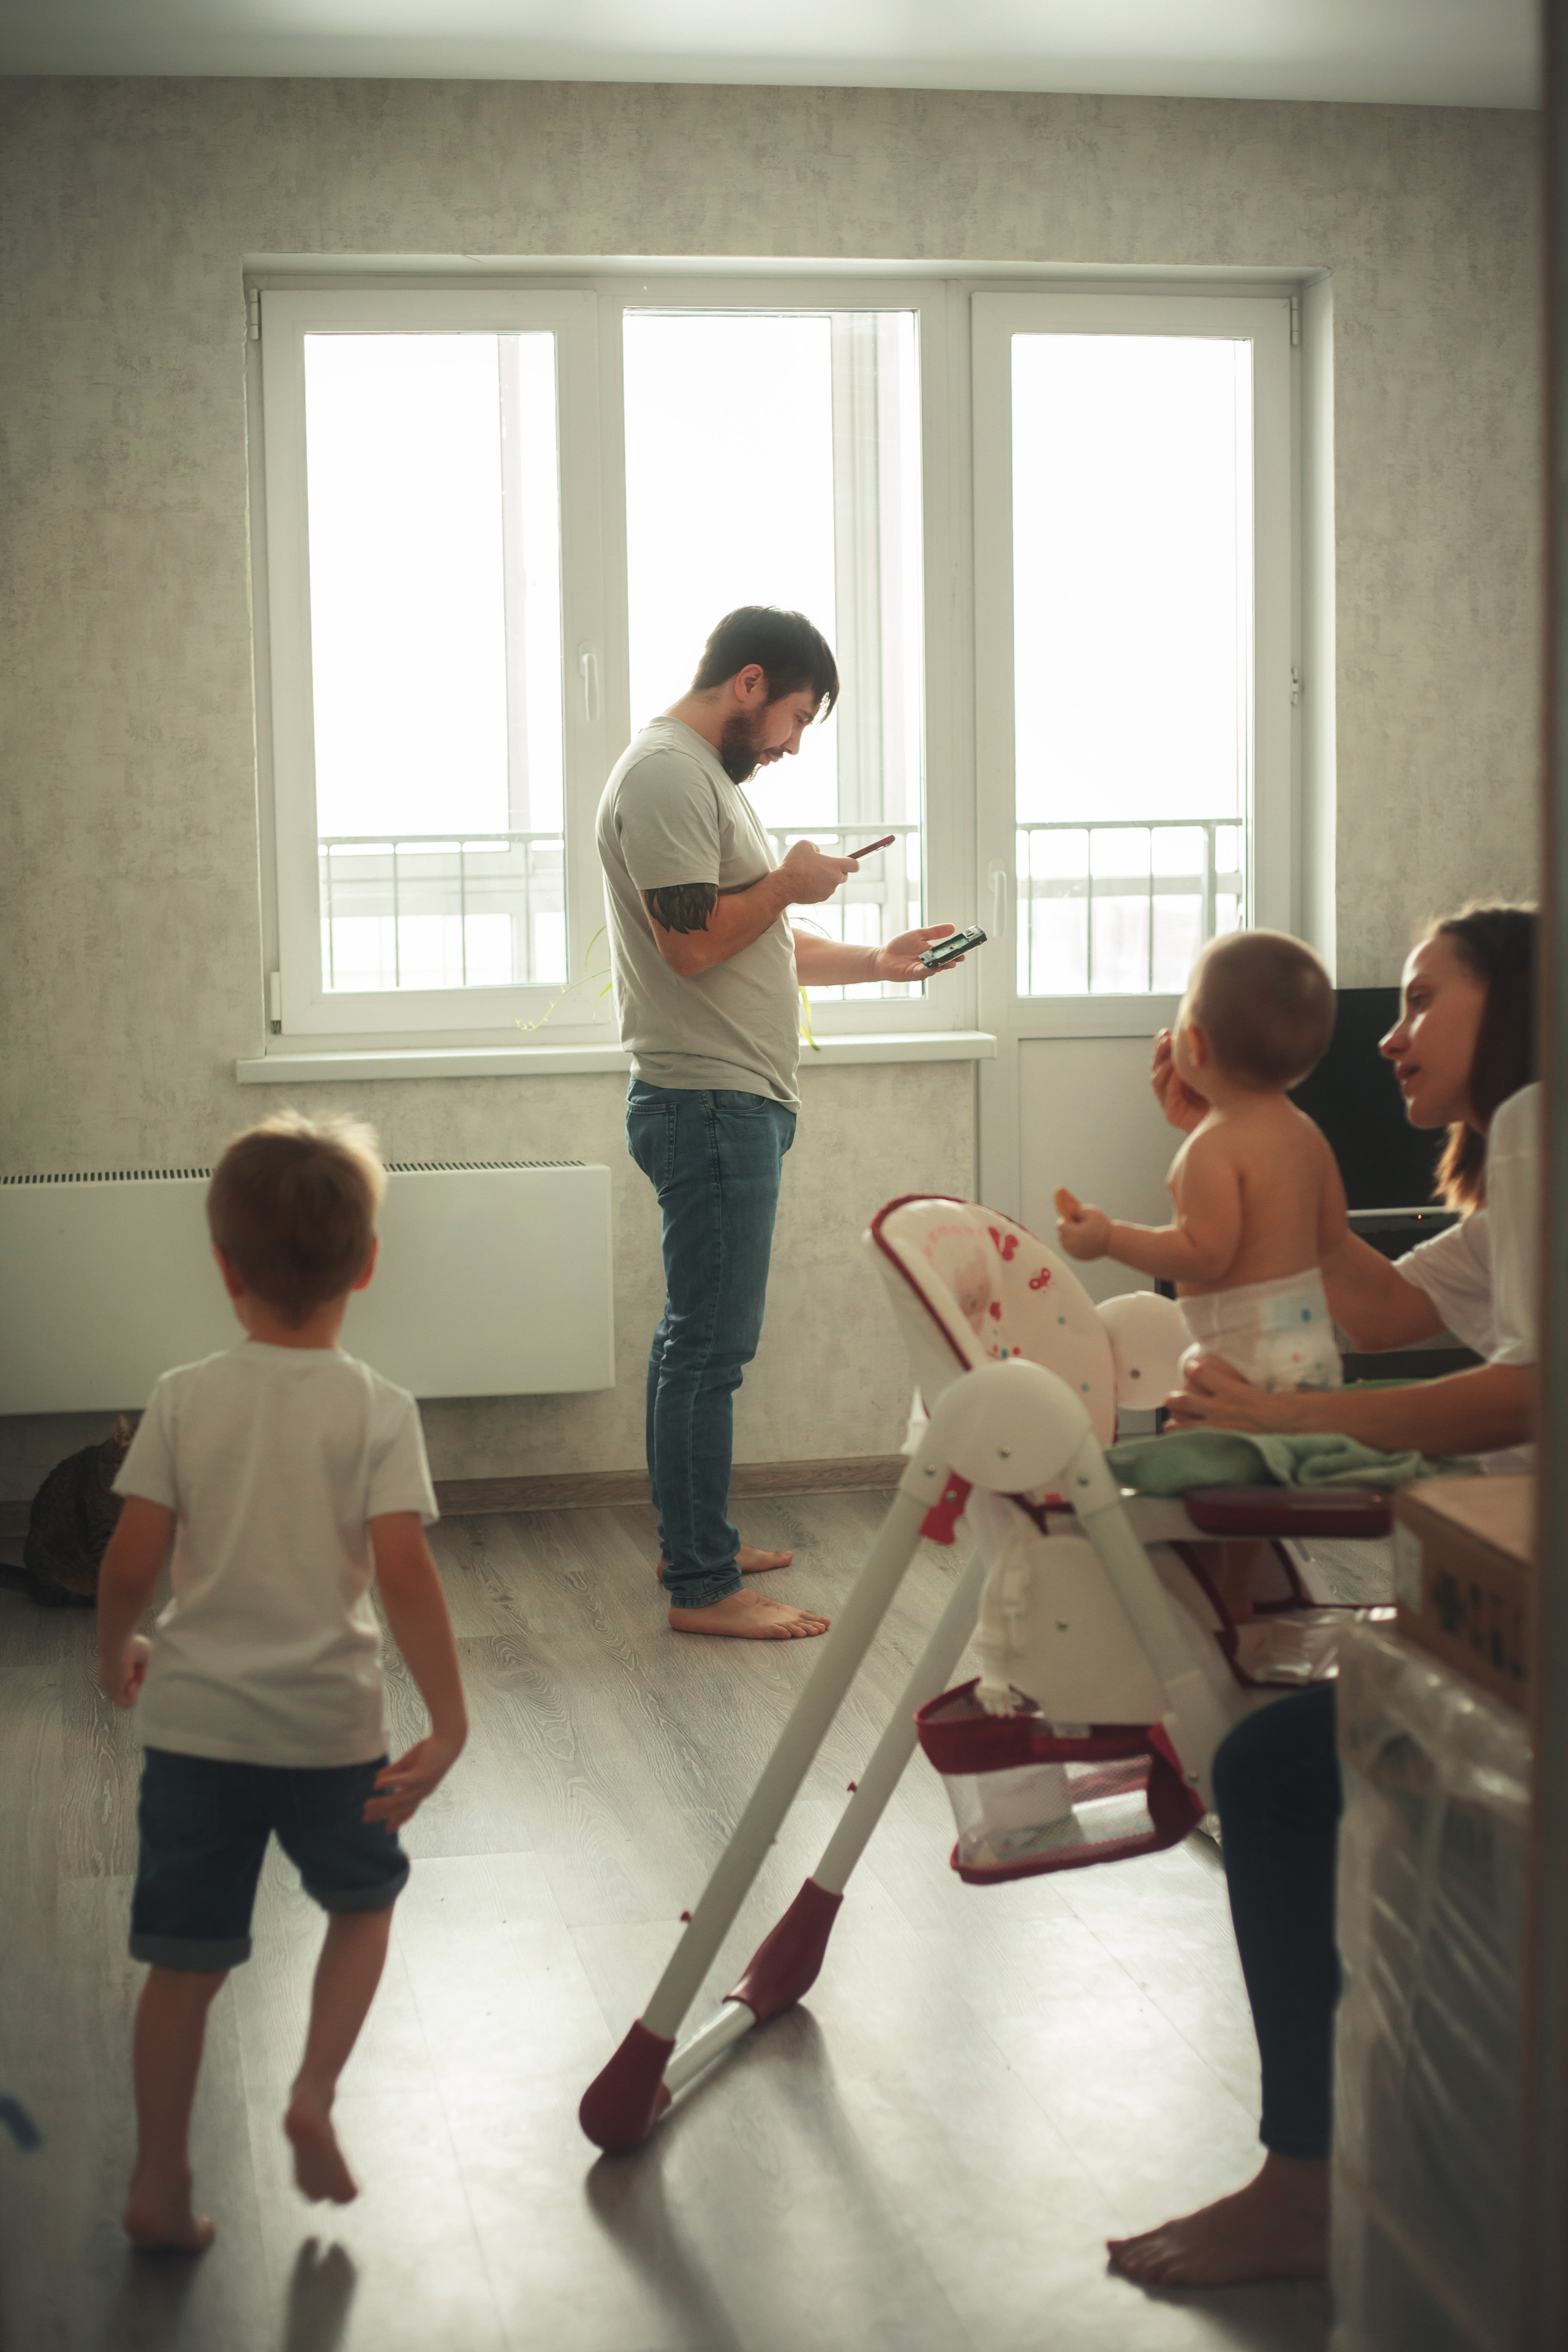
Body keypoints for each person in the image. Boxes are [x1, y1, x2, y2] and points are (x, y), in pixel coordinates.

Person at [1106, 903, 1537, 2289]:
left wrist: (1307, 1420)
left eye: (1421, 1001)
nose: (1389, 1036)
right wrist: (1262, 1156)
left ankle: (1305, 2182)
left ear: (1519, 1005)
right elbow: (1384, 1311)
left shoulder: (1541, 1128)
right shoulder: (1514, 1180)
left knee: (1271, 1775)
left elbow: (1528, 1388)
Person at [96, 1112, 467, 2252]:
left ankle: (159, 2183)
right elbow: (405, 1575)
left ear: (226, 1269)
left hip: (194, 1730)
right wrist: (449, 1722)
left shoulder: (181, 1396)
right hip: (329, 1731)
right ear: (367, 1264)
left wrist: (117, 1649)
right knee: (363, 1906)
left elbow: (130, 1563)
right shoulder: (379, 1410)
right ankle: (311, 2093)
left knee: (182, 1966)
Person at [597, 605, 963, 1643]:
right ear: (749, 683)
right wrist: (789, 883)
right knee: (708, 1349)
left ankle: (693, 1542)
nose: (794, 744)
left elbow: (754, 942)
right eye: (797, 717)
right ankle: (703, 1585)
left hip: (728, 1099)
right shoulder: (668, 775)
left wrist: (876, 962)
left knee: (697, 1344)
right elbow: (692, 947)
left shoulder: (702, 782)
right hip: (709, 1103)